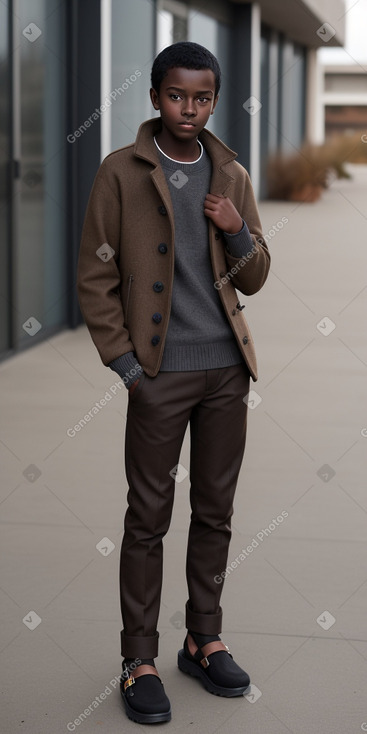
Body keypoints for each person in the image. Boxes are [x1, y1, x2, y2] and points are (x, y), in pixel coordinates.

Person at [77, 40, 270, 725]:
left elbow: (255, 275)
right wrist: (126, 366)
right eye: (176, 95)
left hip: (224, 371)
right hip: (157, 375)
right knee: (148, 519)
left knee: (215, 513)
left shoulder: (230, 173)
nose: (188, 108)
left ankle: (202, 637)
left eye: (201, 97)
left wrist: (237, 228)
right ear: (154, 96)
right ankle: (139, 658)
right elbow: (95, 278)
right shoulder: (120, 172)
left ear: (213, 100)